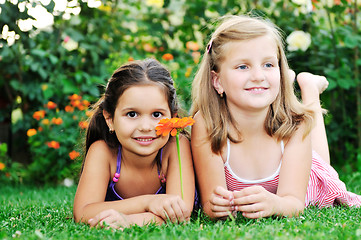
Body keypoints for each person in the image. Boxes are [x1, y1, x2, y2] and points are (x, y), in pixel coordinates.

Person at [190, 15, 361, 220]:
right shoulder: (206, 123)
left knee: (322, 164)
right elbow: (211, 203)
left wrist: (276, 204)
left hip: (303, 174)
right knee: (267, 91)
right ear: (217, 81)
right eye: (243, 66)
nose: (258, 76)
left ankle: (310, 90)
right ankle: (286, 80)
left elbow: (294, 203)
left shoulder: (296, 124)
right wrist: (217, 205)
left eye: (269, 65)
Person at [73, 59, 195, 229]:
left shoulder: (176, 146)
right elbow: (83, 212)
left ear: (173, 118)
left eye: (157, 114)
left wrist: (128, 221)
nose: (146, 127)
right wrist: (148, 202)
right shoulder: (103, 152)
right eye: (132, 114)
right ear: (110, 119)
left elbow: (180, 213)